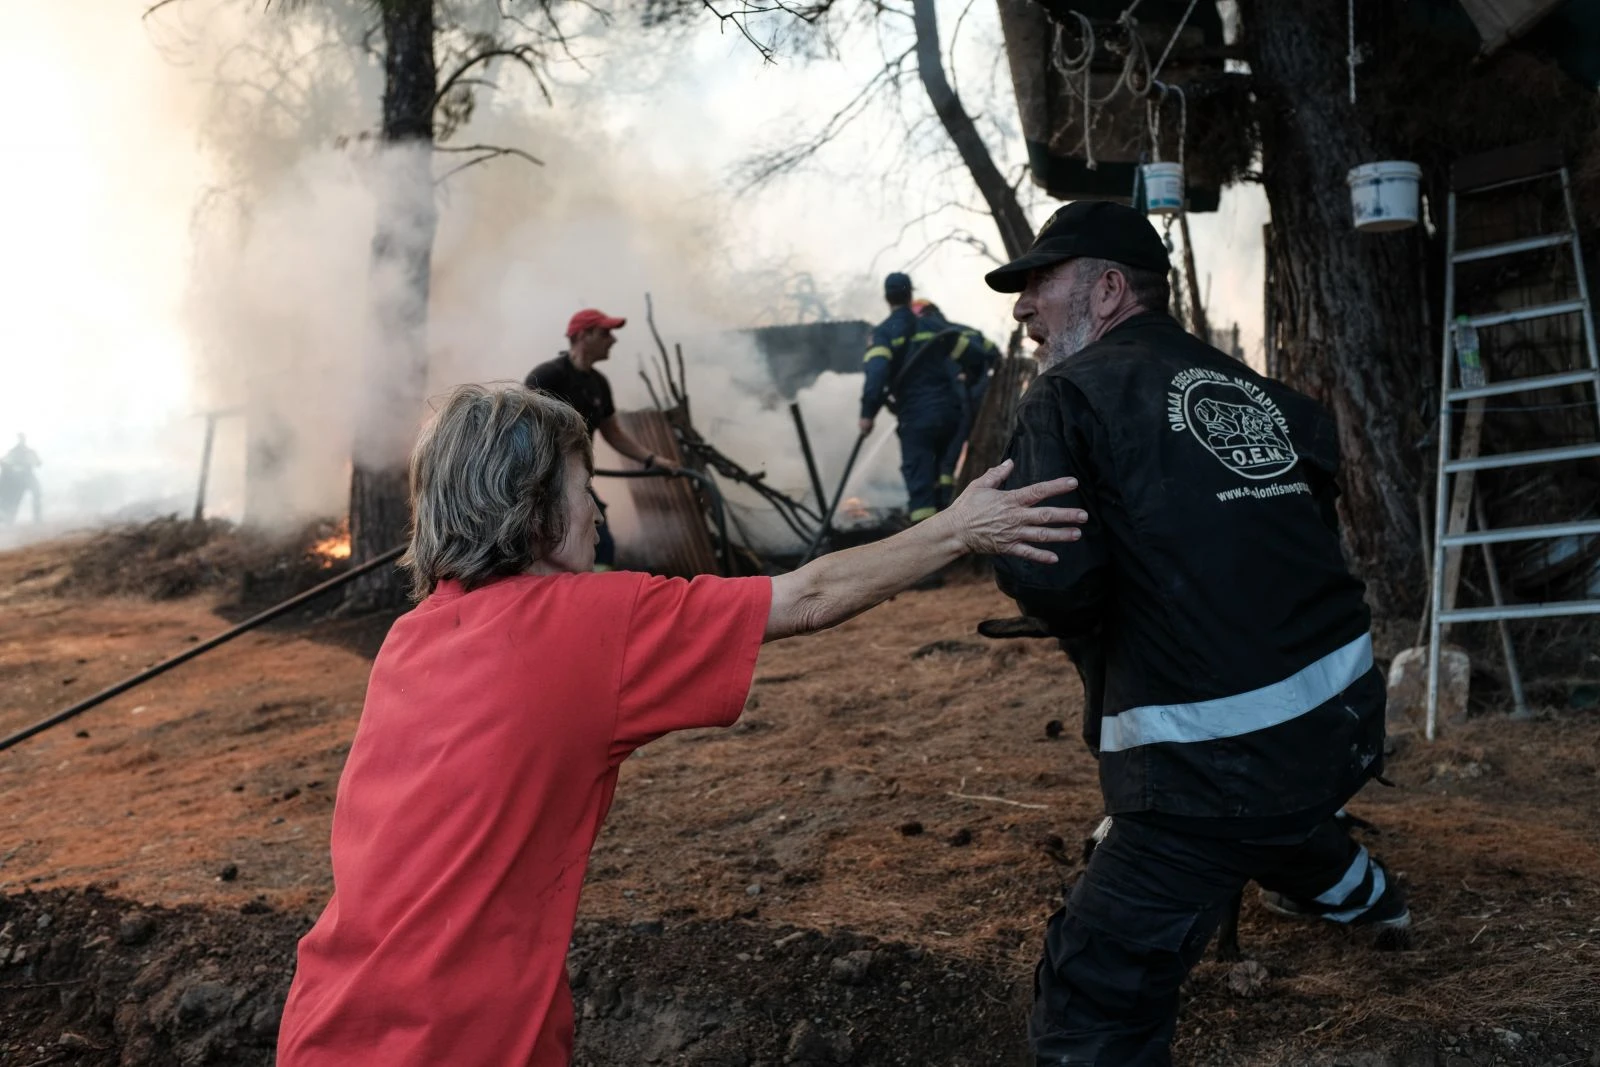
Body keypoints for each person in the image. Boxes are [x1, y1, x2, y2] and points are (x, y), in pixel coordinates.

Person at [276, 383, 1086, 1067]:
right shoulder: (589, 623)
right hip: (464, 1039)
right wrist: (959, 527)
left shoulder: (412, 633)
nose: (595, 509)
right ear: (528, 509)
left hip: (324, 1023)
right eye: (579, 485)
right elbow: (806, 596)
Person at [983, 200, 1410, 1066]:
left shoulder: (1066, 398)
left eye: (1038, 284)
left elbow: (1055, 582)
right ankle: (1374, 900)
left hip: (1213, 765)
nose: (1022, 307)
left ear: (1106, 290)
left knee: (1090, 996)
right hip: (1343, 720)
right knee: (1282, 817)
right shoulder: (1260, 393)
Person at [525, 308, 678, 570]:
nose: (613, 340)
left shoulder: (599, 383)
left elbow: (613, 433)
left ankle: (592, 594)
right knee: (548, 544)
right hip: (541, 482)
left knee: (599, 542)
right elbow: (522, 430)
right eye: (606, 333)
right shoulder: (548, 376)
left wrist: (653, 459)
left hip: (575, 480)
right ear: (584, 335)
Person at [858, 272, 965, 523]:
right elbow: (972, 354)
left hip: (916, 419)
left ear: (887, 298)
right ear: (910, 296)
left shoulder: (884, 333)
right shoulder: (934, 326)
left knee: (921, 485)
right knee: (944, 474)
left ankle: (928, 543)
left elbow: (876, 374)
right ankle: (953, 528)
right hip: (951, 415)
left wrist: (867, 414)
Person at [909, 299, 1001, 505]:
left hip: (957, 406)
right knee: (947, 462)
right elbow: (994, 354)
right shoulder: (963, 331)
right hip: (970, 403)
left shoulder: (936, 338)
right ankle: (946, 504)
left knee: (945, 463)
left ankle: (944, 505)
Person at [0, 434, 41, 524]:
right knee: (16, 499)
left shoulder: (28, 451)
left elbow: (38, 463)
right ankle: (10, 520)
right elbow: (4, 462)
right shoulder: (13, 452)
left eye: (23, 438)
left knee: (36, 494)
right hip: (19, 479)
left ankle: (37, 518)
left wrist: (31, 462)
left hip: (27, 476)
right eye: (20, 438)